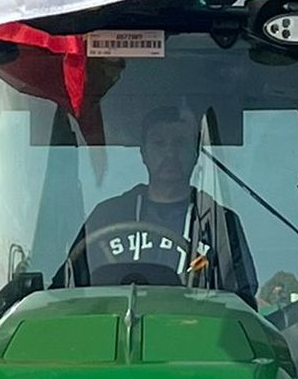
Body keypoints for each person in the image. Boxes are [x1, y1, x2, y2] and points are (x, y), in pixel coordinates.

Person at [58, 107, 257, 304]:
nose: (170, 153)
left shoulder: (218, 223)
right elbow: (65, 293)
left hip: (193, 333)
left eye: (180, 143)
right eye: (159, 143)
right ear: (143, 153)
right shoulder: (105, 217)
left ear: (196, 153)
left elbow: (239, 305)